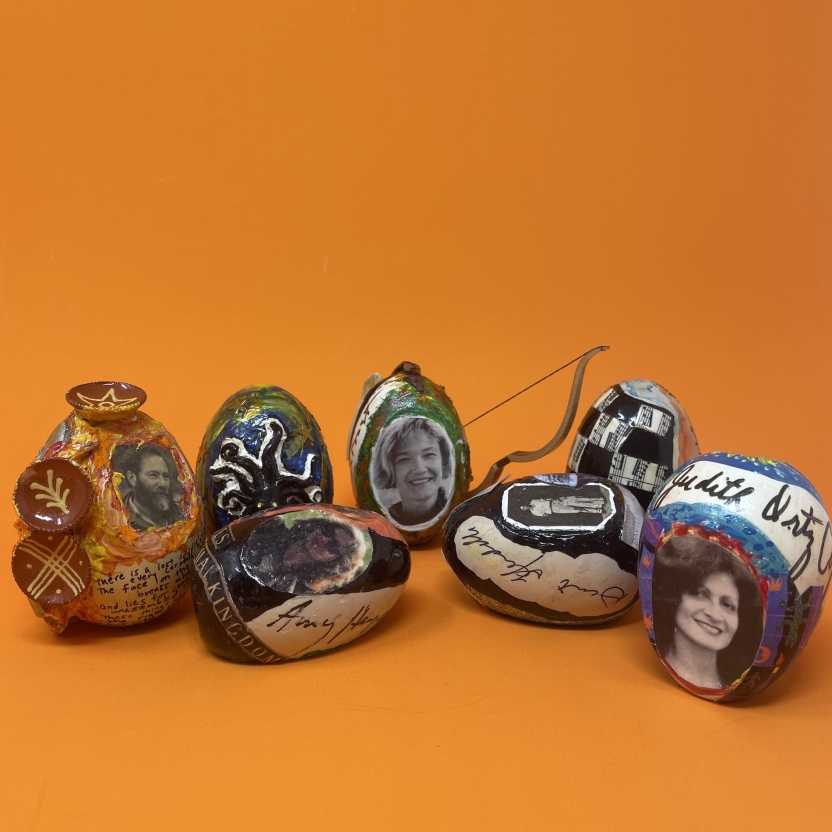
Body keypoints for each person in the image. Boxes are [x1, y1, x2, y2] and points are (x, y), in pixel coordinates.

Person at [653, 534, 763, 690]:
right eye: (699, 594)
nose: (714, 614)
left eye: (727, 605)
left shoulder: (742, 686)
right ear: (673, 596)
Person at [372, 417, 453, 526]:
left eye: (429, 455)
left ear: (443, 460)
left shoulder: (456, 514)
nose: (419, 469)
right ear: (389, 470)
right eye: (404, 459)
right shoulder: (383, 525)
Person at [122, 444, 184, 531]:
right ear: (132, 478)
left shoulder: (183, 517)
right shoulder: (118, 522)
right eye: (153, 475)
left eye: (165, 476)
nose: (162, 483)